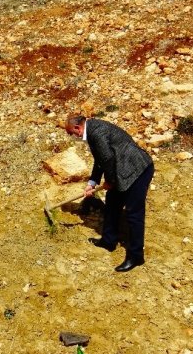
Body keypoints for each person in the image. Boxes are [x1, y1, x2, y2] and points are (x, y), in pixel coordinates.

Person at [65, 114, 154, 272]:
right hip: (122, 170)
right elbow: (100, 160)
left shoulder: (96, 133)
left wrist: (110, 181)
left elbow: (108, 159)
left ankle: (136, 256)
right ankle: (108, 241)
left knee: (134, 213)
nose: (73, 137)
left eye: (72, 133)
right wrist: (92, 183)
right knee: (112, 203)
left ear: (77, 128)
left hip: (138, 169)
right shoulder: (92, 129)